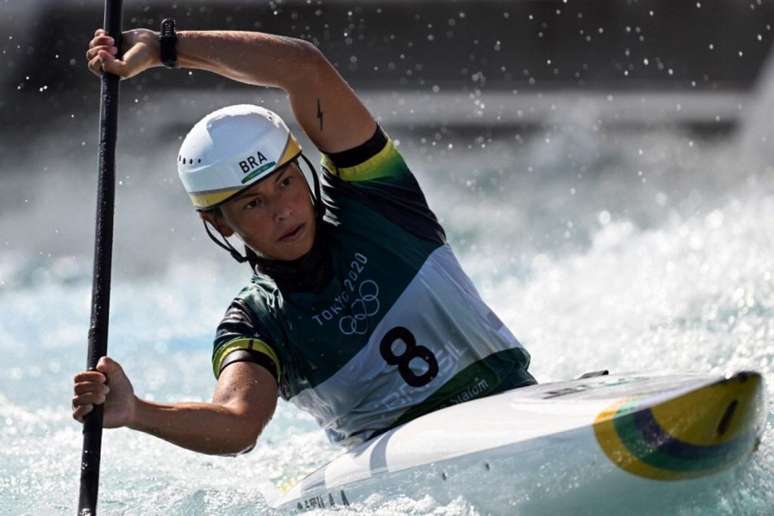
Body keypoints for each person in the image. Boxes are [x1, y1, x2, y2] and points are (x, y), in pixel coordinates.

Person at [72, 24, 536, 454]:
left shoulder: (379, 205)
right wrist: (136, 412)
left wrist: (163, 47)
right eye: (253, 204)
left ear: (304, 173)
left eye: (286, 183)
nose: (283, 211)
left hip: (513, 407)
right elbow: (239, 424)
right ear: (221, 223)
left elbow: (304, 67)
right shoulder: (257, 323)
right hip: (409, 473)